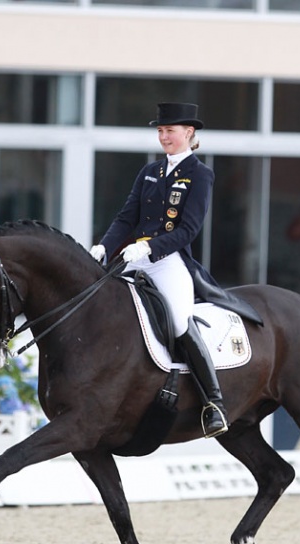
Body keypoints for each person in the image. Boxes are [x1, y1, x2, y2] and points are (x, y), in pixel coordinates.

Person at [90, 102, 228, 438]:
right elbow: (126, 218)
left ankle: (214, 402)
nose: (164, 136)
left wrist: (151, 246)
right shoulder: (150, 171)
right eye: (161, 131)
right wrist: (104, 246)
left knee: (179, 321)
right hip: (134, 257)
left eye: (170, 131)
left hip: (168, 261)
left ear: (189, 133)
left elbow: (189, 229)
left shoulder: (200, 174)